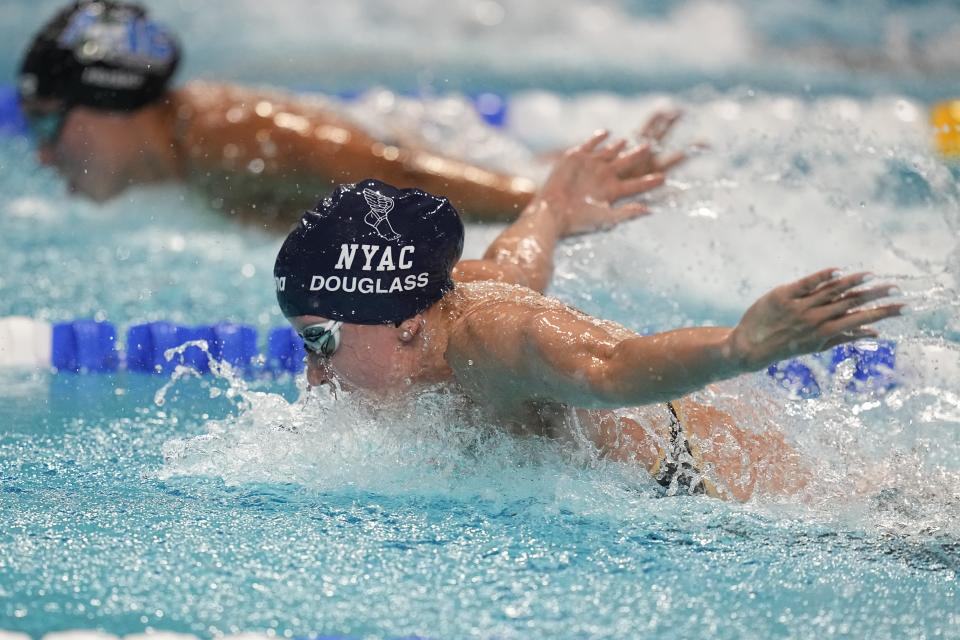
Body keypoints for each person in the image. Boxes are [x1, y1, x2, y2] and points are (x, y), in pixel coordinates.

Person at [272, 131, 904, 502]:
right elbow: (516, 264)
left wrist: (738, 347)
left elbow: (612, 369)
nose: (315, 378)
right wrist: (551, 208)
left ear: (406, 326)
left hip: (727, 490)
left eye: (322, 343)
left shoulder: (489, 342)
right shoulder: (443, 297)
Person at [17, 0, 684, 228]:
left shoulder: (234, 137)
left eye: (48, 123)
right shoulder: (184, 160)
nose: (42, 154)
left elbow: (403, 176)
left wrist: (548, 203)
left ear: (109, 102)